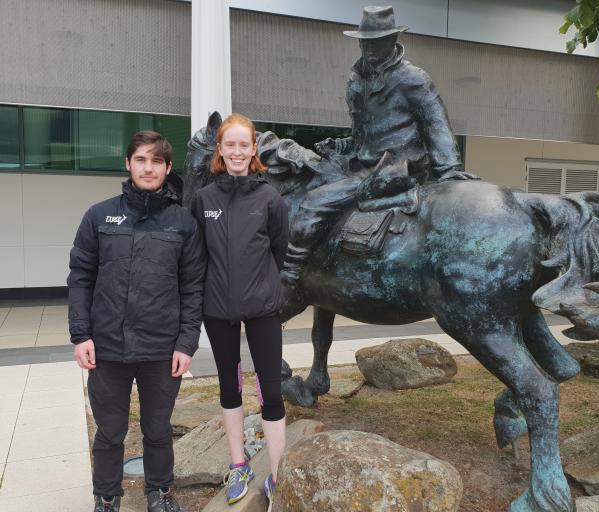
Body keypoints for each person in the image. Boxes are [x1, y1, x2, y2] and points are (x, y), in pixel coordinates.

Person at [280, 5, 478, 313]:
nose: (370, 48)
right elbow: (365, 133)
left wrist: (450, 169)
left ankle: (290, 274)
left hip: (397, 167)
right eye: (365, 41)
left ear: (393, 40)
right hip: (361, 163)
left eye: (377, 41)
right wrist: (343, 145)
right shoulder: (356, 79)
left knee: (314, 203)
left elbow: (436, 124)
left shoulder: (414, 79)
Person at [68, 131, 206, 512]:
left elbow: (193, 287)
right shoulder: (98, 215)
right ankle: (107, 497)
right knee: (110, 432)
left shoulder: (183, 223)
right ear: (128, 163)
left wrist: (186, 343)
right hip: (107, 348)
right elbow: (80, 276)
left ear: (167, 168)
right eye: (141, 159)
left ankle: (159, 493)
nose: (149, 167)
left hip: (162, 349)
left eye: (157, 161)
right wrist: (81, 335)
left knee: (158, 429)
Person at [191, 113, 289, 510]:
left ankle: (278, 471)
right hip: (217, 309)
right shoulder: (204, 200)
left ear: (254, 149)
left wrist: (261, 284)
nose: (236, 151)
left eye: (243, 145)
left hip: (263, 307)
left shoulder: (270, 198)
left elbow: (279, 250)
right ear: (220, 150)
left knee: (270, 389)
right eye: (229, 145)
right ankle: (238, 463)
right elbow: (198, 256)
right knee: (230, 386)